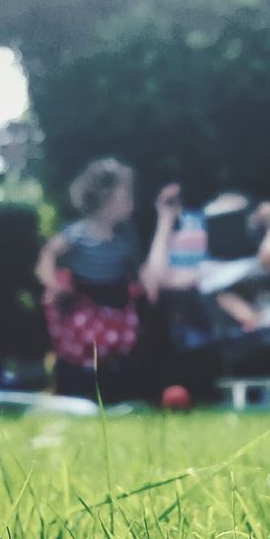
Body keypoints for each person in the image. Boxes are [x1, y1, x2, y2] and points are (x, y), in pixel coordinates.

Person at [35, 158, 179, 401]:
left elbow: (138, 271)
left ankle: (114, 390)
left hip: (115, 306)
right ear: (107, 196)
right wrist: (53, 285)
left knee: (119, 348)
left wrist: (148, 285)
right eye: (126, 196)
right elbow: (47, 256)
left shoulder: (126, 237)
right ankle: (74, 387)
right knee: (87, 349)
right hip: (84, 304)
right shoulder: (78, 233)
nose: (132, 202)